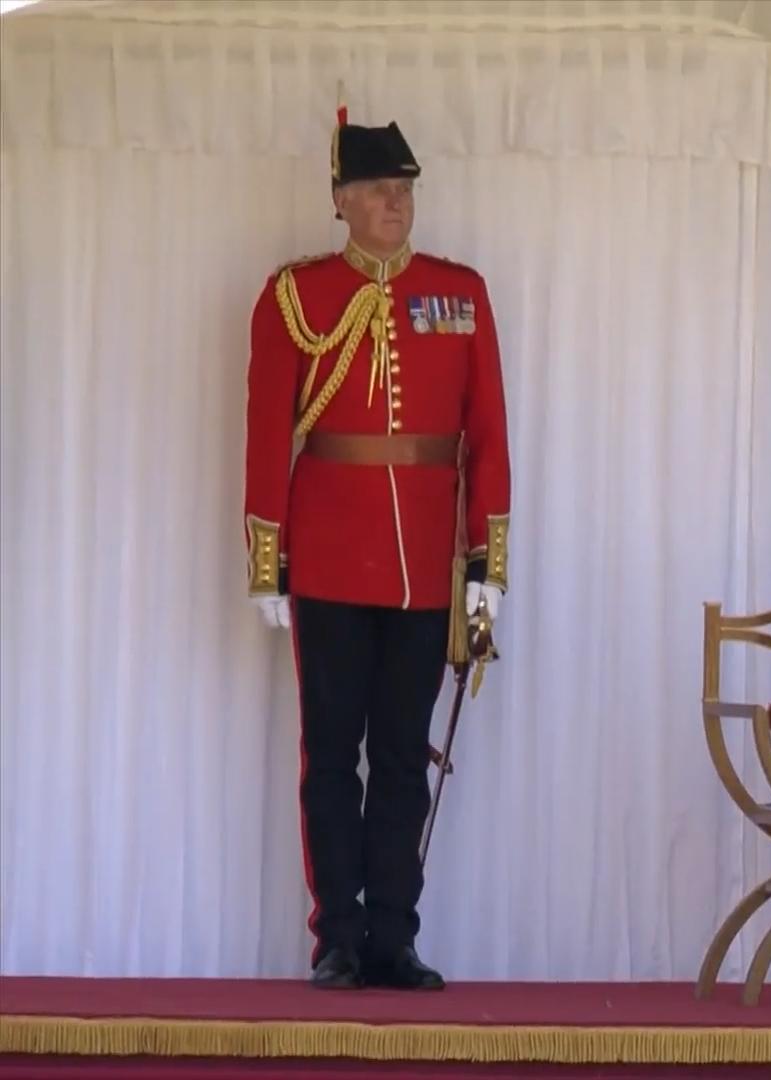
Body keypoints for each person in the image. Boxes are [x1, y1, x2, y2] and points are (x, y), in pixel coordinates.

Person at [242, 107, 511, 990]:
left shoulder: (459, 292)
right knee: (331, 757)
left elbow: (488, 439)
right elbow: (265, 433)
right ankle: (339, 938)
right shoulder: (294, 297)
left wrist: (487, 566)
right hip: (325, 556)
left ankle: (394, 936)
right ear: (342, 201)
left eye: (405, 190)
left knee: (404, 757)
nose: (399, 204)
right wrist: (265, 559)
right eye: (381, 191)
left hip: (425, 562)